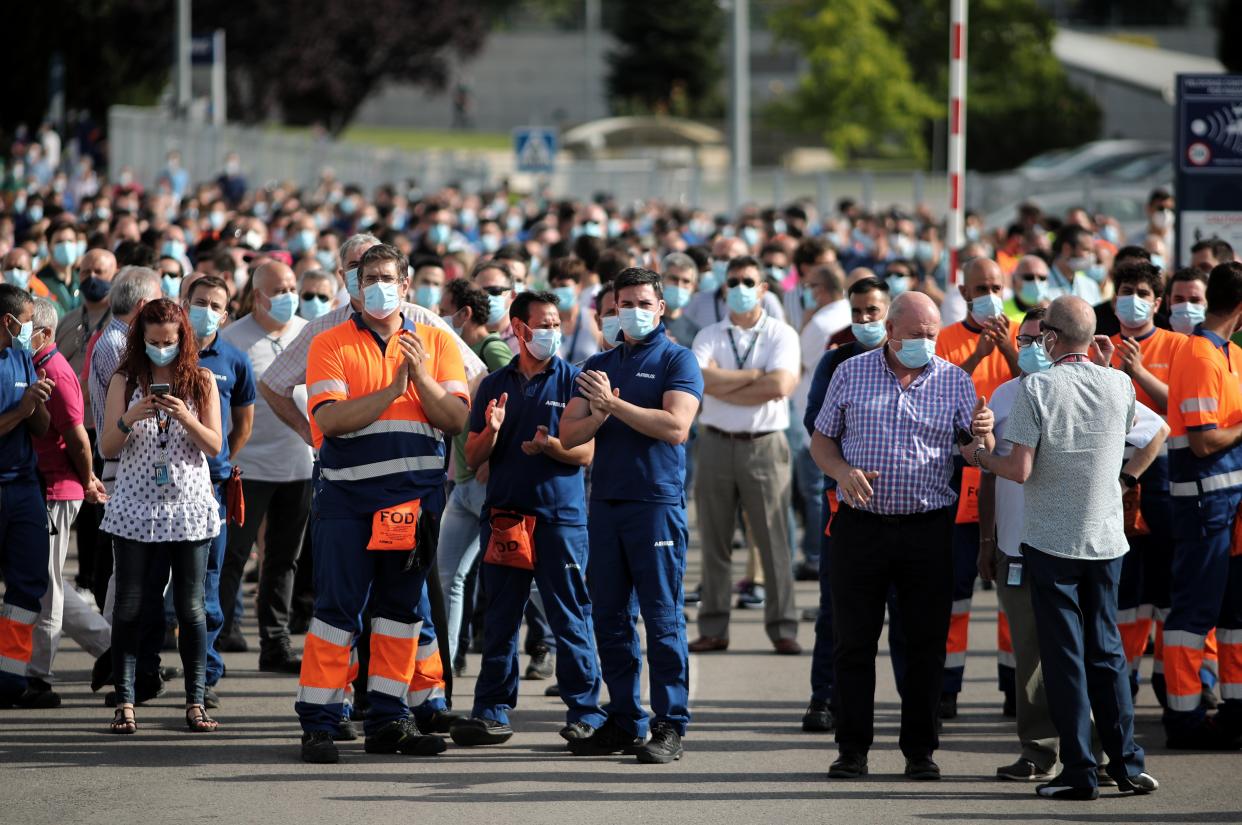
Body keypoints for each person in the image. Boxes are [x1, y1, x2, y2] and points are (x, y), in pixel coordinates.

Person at [971, 295, 1157, 799]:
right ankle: (1126, 764)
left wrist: (981, 456)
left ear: (1050, 337)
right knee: (1108, 654)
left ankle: (1078, 772)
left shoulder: (1037, 388)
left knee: (1065, 659)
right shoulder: (1119, 383)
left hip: (1052, 542)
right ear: (1092, 337)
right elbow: (1131, 436)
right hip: (1105, 539)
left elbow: (1020, 469)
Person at [296, 242, 469, 764]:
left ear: (406, 284)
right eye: (367, 276)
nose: (377, 286)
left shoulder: (437, 343)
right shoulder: (329, 344)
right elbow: (330, 421)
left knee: (398, 615)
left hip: (411, 508)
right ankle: (321, 723)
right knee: (335, 613)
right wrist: (395, 387)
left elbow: (456, 420)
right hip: (347, 502)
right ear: (353, 283)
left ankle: (389, 719)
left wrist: (417, 378)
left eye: (387, 277)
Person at [810, 290, 993, 781]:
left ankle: (920, 749)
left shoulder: (954, 380)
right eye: (915, 335)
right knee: (853, 642)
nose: (925, 344)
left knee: (924, 644)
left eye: (932, 335)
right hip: (860, 526)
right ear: (890, 331)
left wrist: (984, 435)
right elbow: (821, 440)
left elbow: (975, 453)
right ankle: (852, 748)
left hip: (927, 528)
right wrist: (841, 470)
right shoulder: (850, 372)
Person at [560, 267, 703, 764]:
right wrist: (600, 410)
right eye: (625, 303)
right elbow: (571, 434)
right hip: (606, 505)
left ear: (661, 308)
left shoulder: (677, 359)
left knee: (662, 619)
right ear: (613, 308)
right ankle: (624, 718)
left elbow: (675, 426)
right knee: (610, 618)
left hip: (655, 505)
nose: (634, 312)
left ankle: (669, 723)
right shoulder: (599, 363)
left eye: (644, 303)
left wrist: (611, 405)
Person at [450, 290, 604, 747]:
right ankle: (491, 712)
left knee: (569, 615)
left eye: (557, 324)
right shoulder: (493, 383)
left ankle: (586, 712)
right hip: (504, 519)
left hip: (560, 519)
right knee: (499, 618)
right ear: (518, 329)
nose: (552, 332)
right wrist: (494, 432)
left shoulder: (575, 381)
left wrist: (550, 446)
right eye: (544, 324)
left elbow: (586, 453)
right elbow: (473, 454)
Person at [98, 298, 224, 735]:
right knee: (131, 604)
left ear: (183, 338)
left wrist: (185, 416)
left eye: (169, 342)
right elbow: (106, 449)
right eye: (153, 342)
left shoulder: (201, 379)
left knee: (191, 609)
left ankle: (195, 699)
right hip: (135, 504)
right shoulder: (125, 379)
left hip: (188, 506)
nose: (162, 348)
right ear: (140, 339)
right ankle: (126, 700)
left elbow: (214, 446)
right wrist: (131, 417)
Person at [688, 255, 801, 655]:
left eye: (748, 281)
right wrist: (756, 376)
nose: (739, 288)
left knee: (773, 541)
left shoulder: (781, 333)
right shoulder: (709, 334)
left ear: (763, 288)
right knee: (715, 541)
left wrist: (727, 383)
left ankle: (783, 625)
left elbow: (781, 385)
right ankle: (714, 626)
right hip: (716, 443)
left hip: (764, 445)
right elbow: (700, 380)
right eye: (733, 281)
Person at [800, 276, 891, 733]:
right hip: (843, 502)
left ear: (889, 310)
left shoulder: (918, 364)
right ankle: (824, 696)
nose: (864, 320)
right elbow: (815, 422)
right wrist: (844, 467)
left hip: (906, 511)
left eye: (873, 311)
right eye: (857, 313)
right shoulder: (836, 362)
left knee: (908, 612)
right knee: (835, 604)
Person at [929, 257, 1019, 719]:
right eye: (980, 287)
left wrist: (1007, 348)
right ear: (963, 292)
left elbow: (1037, 385)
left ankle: (1012, 684)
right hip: (961, 475)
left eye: (996, 285)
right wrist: (980, 353)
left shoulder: (1022, 331)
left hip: (1010, 475)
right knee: (956, 590)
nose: (989, 293)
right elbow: (938, 393)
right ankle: (947, 686)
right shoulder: (945, 338)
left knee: (1011, 588)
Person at [1162, 261, 1242, 749]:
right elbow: (1203, 443)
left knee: (1234, 615)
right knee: (1194, 615)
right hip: (1204, 505)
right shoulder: (1199, 356)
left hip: (1228, 506)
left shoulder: (1230, 352)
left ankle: (1234, 710)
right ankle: (1184, 719)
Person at [218, 261, 312, 673]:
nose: (289, 296)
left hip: (300, 466)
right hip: (247, 467)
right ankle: (217, 640)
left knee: (283, 558)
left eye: (293, 287)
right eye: (279, 289)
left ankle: (275, 642)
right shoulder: (232, 339)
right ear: (257, 296)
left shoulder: (309, 332)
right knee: (233, 555)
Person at [22, 299, 110, 708]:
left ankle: (38, 675)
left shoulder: (55, 371)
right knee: (48, 579)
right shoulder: (31, 365)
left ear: (42, 331)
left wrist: (88, 478)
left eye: (23, 326)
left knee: (48, 588)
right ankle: (114, 649)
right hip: (40, 488)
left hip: (56, 490)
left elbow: (78, 438)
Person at [434, 277, 514, 671]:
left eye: (445, 307)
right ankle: (442, 671)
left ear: (465, 314)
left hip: (485, 481)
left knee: (525, 580)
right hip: (462, 483)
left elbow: (511, 406)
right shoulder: (454, 352)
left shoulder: (491, 349)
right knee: (448, 577)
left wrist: (490, 458)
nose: (438, 315)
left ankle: (560, 645)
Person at [182, 275, 254, 708]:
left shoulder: (235, 360)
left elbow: (241, 425)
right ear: (184, 303)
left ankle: (205, 675)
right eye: (199, 301)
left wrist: (217, 458)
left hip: (212, 485)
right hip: (164, 487)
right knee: (153, 582)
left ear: (226, 314)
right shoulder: (165, 354)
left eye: (215, 304)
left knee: (209, 584)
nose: (206, 310)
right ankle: (144, 670)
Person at [0, 284, 54, 708]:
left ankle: (10, 678)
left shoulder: (23, 356)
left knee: (29, 583)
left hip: (23, 489)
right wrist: (21, 409)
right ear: (9, 321)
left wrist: (38, 403)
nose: (32, 329)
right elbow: (15, 417)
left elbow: (38, 427)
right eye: (28, 320)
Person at [790, 262, 850, 579]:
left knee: (814, 493)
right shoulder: (841, 318)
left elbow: (796, 363)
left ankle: (815, 556)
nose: (808, 293)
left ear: (822, 290)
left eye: (812, 287)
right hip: (835, 422)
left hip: (815, 422)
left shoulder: (822, 322)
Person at [54, 247, 116, 376]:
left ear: (114, 275)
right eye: (86, 272)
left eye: (99, 272)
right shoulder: (65, 322)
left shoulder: (120, 321)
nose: (92, 277)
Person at [547, 257, 600, 364]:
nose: (557, 290)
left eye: (563, 285)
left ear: (579, 286)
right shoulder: (545, 322)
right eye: (553, 286)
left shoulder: (594, 319)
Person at [36, 219, 82, 318]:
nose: (66, 246)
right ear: (49, 247)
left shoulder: (82, 278)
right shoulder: (40, 282)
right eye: (59, 242)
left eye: (70, 241)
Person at [1049, 225, 1105, 305]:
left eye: (1092, 251)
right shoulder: (1041, 283)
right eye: (1086, 249)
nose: (1091, 256)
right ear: (1066, 249)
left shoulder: (1090, 285)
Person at [659, 252, 700, 347]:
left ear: (693, 287)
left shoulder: (695, 332)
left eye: (686, 281)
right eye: (673, 279)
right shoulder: (645, 322)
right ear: (661, 280)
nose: (679, 285)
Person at [1004, 255, 1052, 322]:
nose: (1036, 283)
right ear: (1014, 280)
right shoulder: (1001, 312)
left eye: (1042, 278)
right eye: (1029, 277)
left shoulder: (1054, 314)